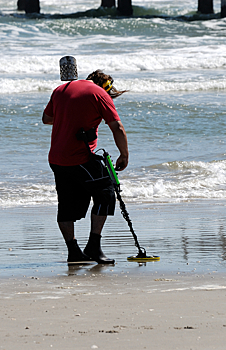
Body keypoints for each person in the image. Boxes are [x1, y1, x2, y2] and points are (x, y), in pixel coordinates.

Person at [42, 57, 129, 264]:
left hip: (57, 159)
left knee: (66, 204)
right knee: (106, 192)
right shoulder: (99, 94)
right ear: (106, 88)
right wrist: (124, 154)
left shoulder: (60, 91)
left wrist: (69, 115)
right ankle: (93, 246)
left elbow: (47, 119)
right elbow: (117, 127)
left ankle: (73, 252)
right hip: (80, 158)